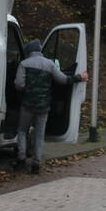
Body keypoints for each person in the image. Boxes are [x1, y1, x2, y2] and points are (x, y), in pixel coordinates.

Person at [12, 39, 88, 174]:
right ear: (40, 51)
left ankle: (21, 160)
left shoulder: (24, 64)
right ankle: (36, 164)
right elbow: (63, 80)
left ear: (29, 52)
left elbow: (19, 84)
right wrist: (79, 77)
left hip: (27, 105)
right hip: (43, 107)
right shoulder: (50, 64)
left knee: (22, 131)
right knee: (40, 135)